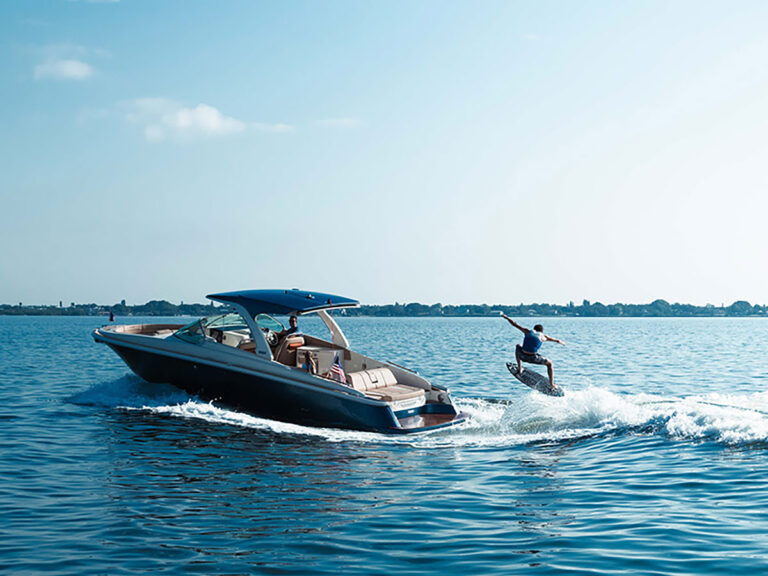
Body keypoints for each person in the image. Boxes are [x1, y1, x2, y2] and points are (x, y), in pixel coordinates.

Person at [500, 313, 565, 389]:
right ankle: (552, 385)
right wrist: (561, 342)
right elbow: (555, 340)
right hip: (533, 358)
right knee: (549, 363)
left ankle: (520, 368)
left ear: (534, 329)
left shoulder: (527, 331)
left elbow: (514, 324)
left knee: (518, 345)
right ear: (541, 331)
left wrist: (506, 317)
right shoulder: (544, 337)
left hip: (523, 356)